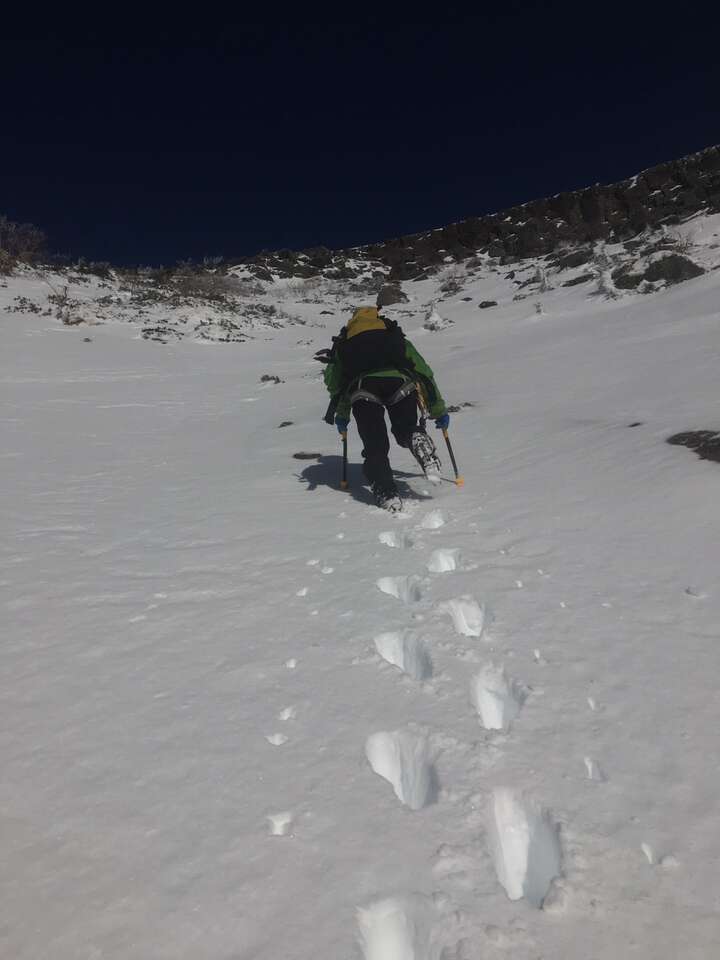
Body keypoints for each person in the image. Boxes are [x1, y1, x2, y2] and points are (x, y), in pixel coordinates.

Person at [317, 306, 449, 511]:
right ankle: (414, 436)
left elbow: (337, 385)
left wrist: (342, 415)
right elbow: (424, 371)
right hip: (400, 384)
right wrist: (438, 409)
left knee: (375, 444)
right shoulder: (393, 335)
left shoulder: (345, 343)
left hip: (363, 390)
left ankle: (387, 493)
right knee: (405, 428)